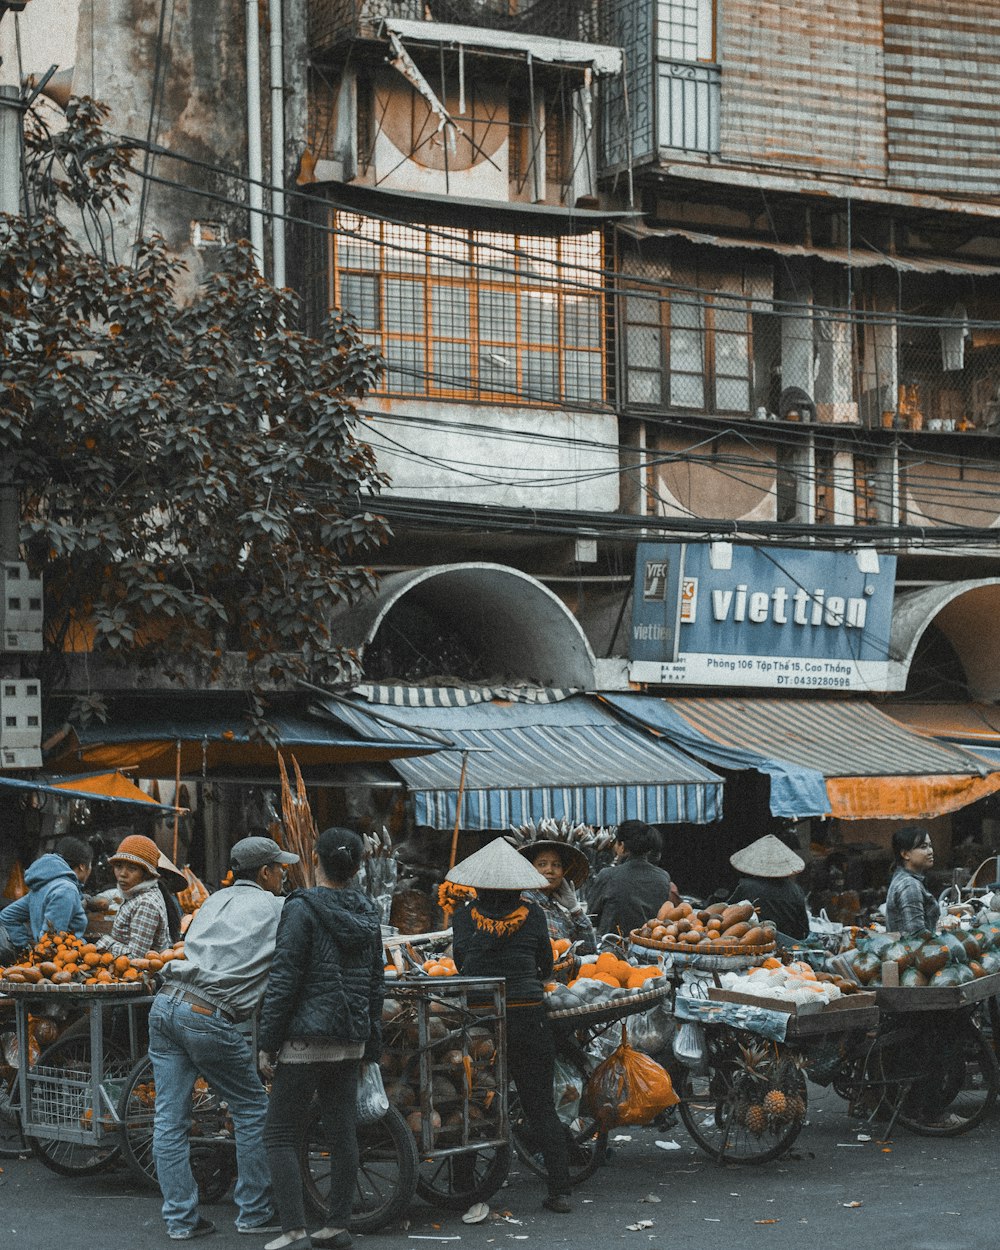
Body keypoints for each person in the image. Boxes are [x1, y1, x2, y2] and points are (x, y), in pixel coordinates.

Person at [149, 834, 299, 1241]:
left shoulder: (214, 900)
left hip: (165, 1004)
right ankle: (253, 1211)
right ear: (266, 872)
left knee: (169, 1119)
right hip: (206, 1014)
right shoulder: (278, 907)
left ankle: (181, 1221)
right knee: (252, 1107)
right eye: (280, 868)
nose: (284, 874)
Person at [257, 828, 384, 1250]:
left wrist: (267, 1042)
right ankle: (336, 1225)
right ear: (358, 866)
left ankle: (293, 1225)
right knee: (340, 1130)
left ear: (315, 860)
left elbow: (284, 979)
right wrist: (372, 1044)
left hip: (306, 1040)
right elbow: (375, 984)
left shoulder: (301, 908)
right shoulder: (369, 910)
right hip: (350, 1040)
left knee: (278, 1132)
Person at [448, 837, 573, 1215]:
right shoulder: (533, 915)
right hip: (528, 1018)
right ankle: (560, 1190)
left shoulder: (464, 916)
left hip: (482, 1023)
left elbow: (459, 965)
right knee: (539, 1105)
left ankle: (465, 1185)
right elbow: (545, 967)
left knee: (473, 1101)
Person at [0, 836, 94, 950]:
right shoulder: (66, 890)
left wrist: (24, 946)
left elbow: (7, 916)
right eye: (90, 865)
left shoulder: (42, 887)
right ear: (82, 866)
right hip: (63, 961)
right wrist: (27, 948)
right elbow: (51, 941)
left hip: (47, 959)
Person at [586, 820, 673, 939]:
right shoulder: (663, 877)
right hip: (646, 946)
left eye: (616, 843)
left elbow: (592, 917)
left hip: (611, 948)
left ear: (622, 846)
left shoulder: (608, 875)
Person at [94, 835, 174, 960]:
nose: (122, 874)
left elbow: (136, 957)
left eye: (132, 868)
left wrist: (106, 942)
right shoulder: (134, 895)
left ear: (146, 874)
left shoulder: (146, 904)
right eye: (119, 866)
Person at [518, 839, 597, 955]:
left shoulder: (557, 911)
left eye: (556, 865)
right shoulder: (524, 903)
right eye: (542, 864)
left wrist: (575, 909)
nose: (549, 870)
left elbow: (588, 950)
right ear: (530, 870)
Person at [728, 833, 811, 941]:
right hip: (787, 947)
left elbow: (727, 917)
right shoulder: (796, 890)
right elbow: (803, 929)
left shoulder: (745, 886)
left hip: (752, 944)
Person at [885, 826, 939, 936]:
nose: (930, 852)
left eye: (930, 846)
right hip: (912, 951)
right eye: (923, 847)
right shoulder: (909, 885)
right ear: (905, 854)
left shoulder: (904, 877)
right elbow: (917, 936)